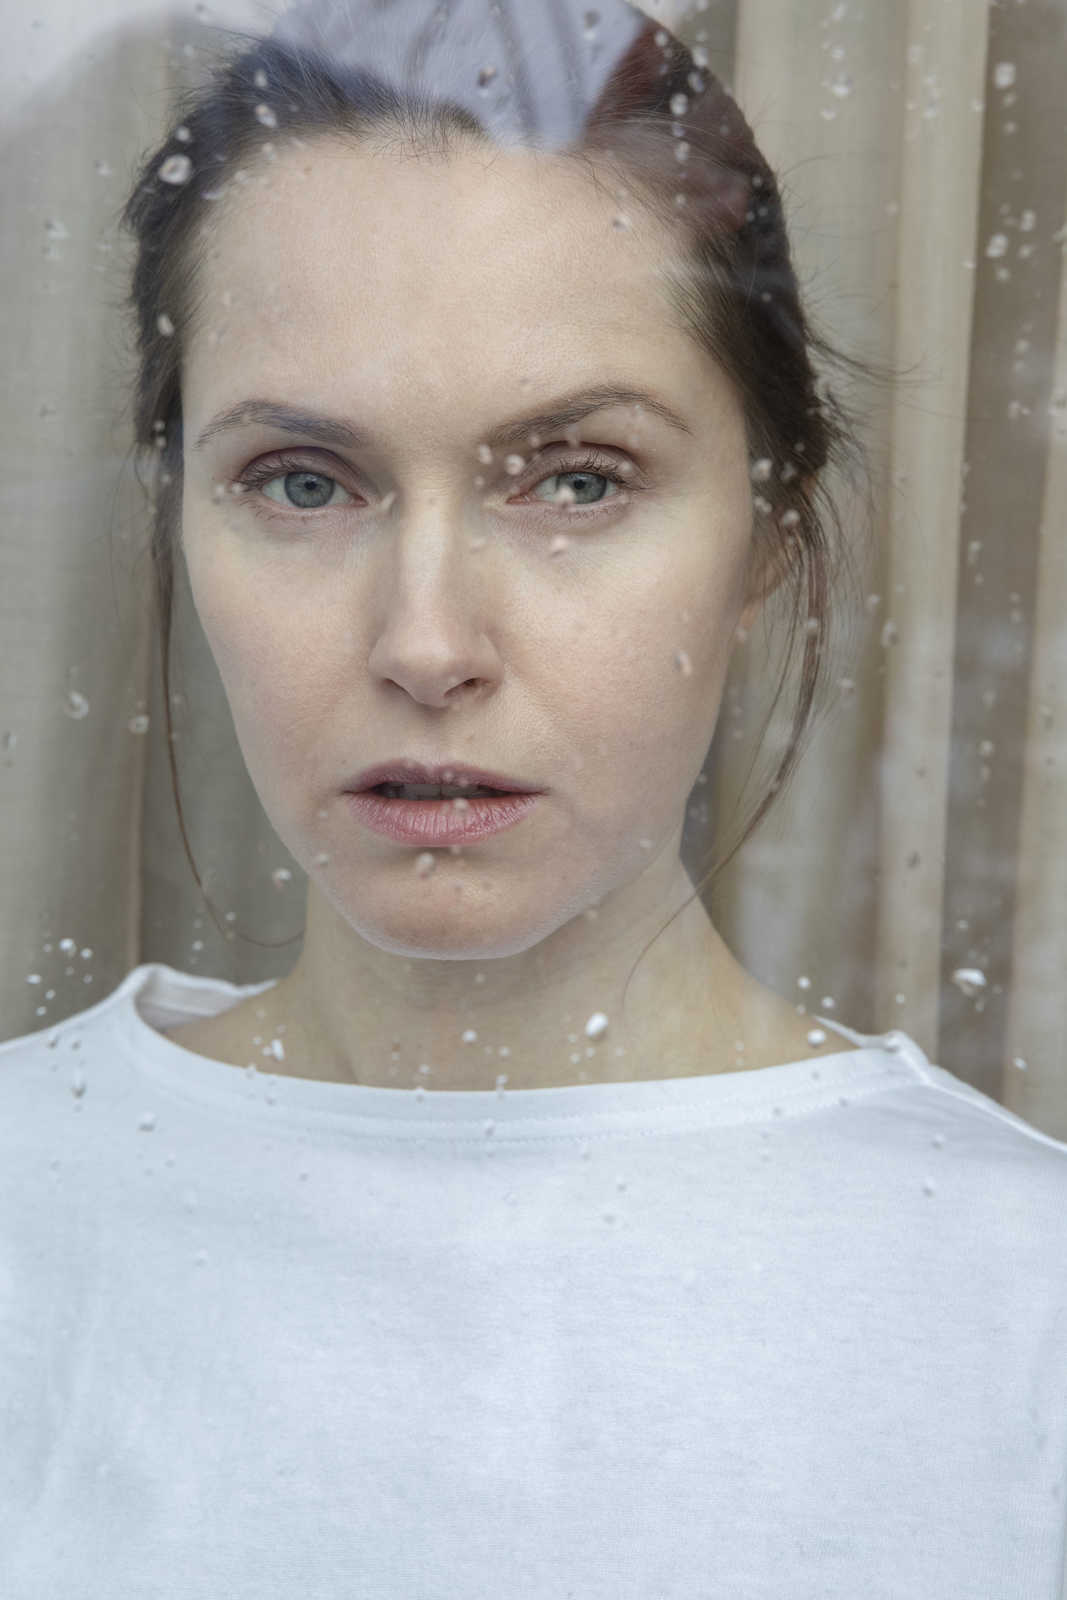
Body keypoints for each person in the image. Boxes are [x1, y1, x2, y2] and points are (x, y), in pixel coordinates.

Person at [2, 3, 1065, 1595]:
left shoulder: (1023, 1316)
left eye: (577, 477)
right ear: (180, 518)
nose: (427, 644)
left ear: (768, 536)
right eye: (303, 481)